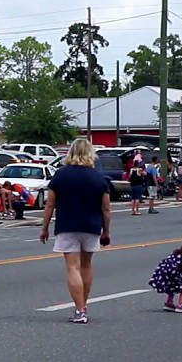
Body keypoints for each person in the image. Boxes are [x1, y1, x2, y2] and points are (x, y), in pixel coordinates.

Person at [40, 138, 111, 324]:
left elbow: (50, 204)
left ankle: (79, 310)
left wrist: (44, 227)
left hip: (67, 225)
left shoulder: (60, 175)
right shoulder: (99, 178)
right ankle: (83, 306)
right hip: (92, 226)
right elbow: (106, 209)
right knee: (86, 266)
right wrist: (106, 231)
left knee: (73, 267)